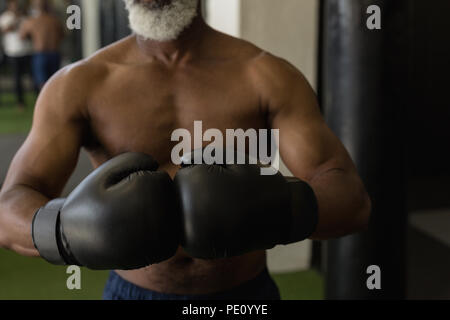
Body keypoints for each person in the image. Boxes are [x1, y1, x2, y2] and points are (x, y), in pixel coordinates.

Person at [0, 0, 371, 300]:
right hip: (134, 293)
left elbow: (351, 199)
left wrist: (280, 206)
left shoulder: (266, 76)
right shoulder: (78, 85)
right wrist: (66, 230)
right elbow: (10, 207)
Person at [19, 0, 64, 91]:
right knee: (55, 82)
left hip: (41, 54)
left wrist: (33, 36)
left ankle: (45, 103)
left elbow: (22, 37)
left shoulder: (31, 21)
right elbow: (62, 35)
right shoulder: (55, 20)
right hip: (54, 53)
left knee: (42, 84)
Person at [0, 0, 33, 111]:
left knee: (33, 77)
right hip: (13, 52)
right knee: (17, 79)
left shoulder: (26, 17)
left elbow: (30, 32)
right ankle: (20, 102)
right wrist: (16, 20)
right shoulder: (5, 17)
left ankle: (39, 99)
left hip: (27, 51)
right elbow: (5, 30)